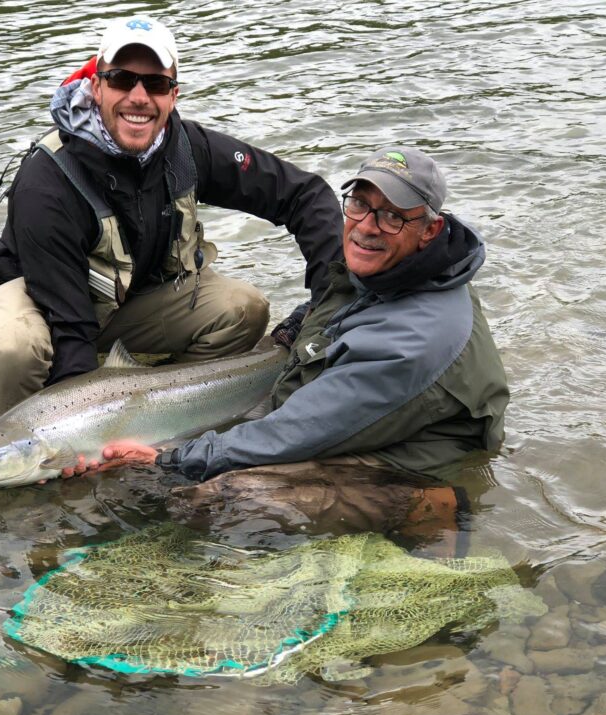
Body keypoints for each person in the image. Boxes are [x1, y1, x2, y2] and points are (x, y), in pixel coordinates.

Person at [0, 15, 342, 416]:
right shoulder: (46, 181)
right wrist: (74, 428)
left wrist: (330, 304)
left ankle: (158, 416)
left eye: (155, 83)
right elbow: (71, 331)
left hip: (126, 301)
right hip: (42, 301)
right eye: (121, 79)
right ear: (96, 87)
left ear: (173, 95)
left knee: (243, 308)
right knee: (12, 351)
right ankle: (8, 450)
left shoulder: (186, 149)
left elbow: (305, 194)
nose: (138, 96)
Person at [93, 146, 510, 483]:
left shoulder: (412, 345)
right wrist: (293, 328)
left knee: (215, 495)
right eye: (360, 205)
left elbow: (291, 434)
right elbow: (338, 306)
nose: (366, 226)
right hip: (361, 413)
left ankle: (435, 507)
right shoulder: (398, 265)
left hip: (413, 464)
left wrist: (166, 462)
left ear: (431, 230)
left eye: (392, 216)